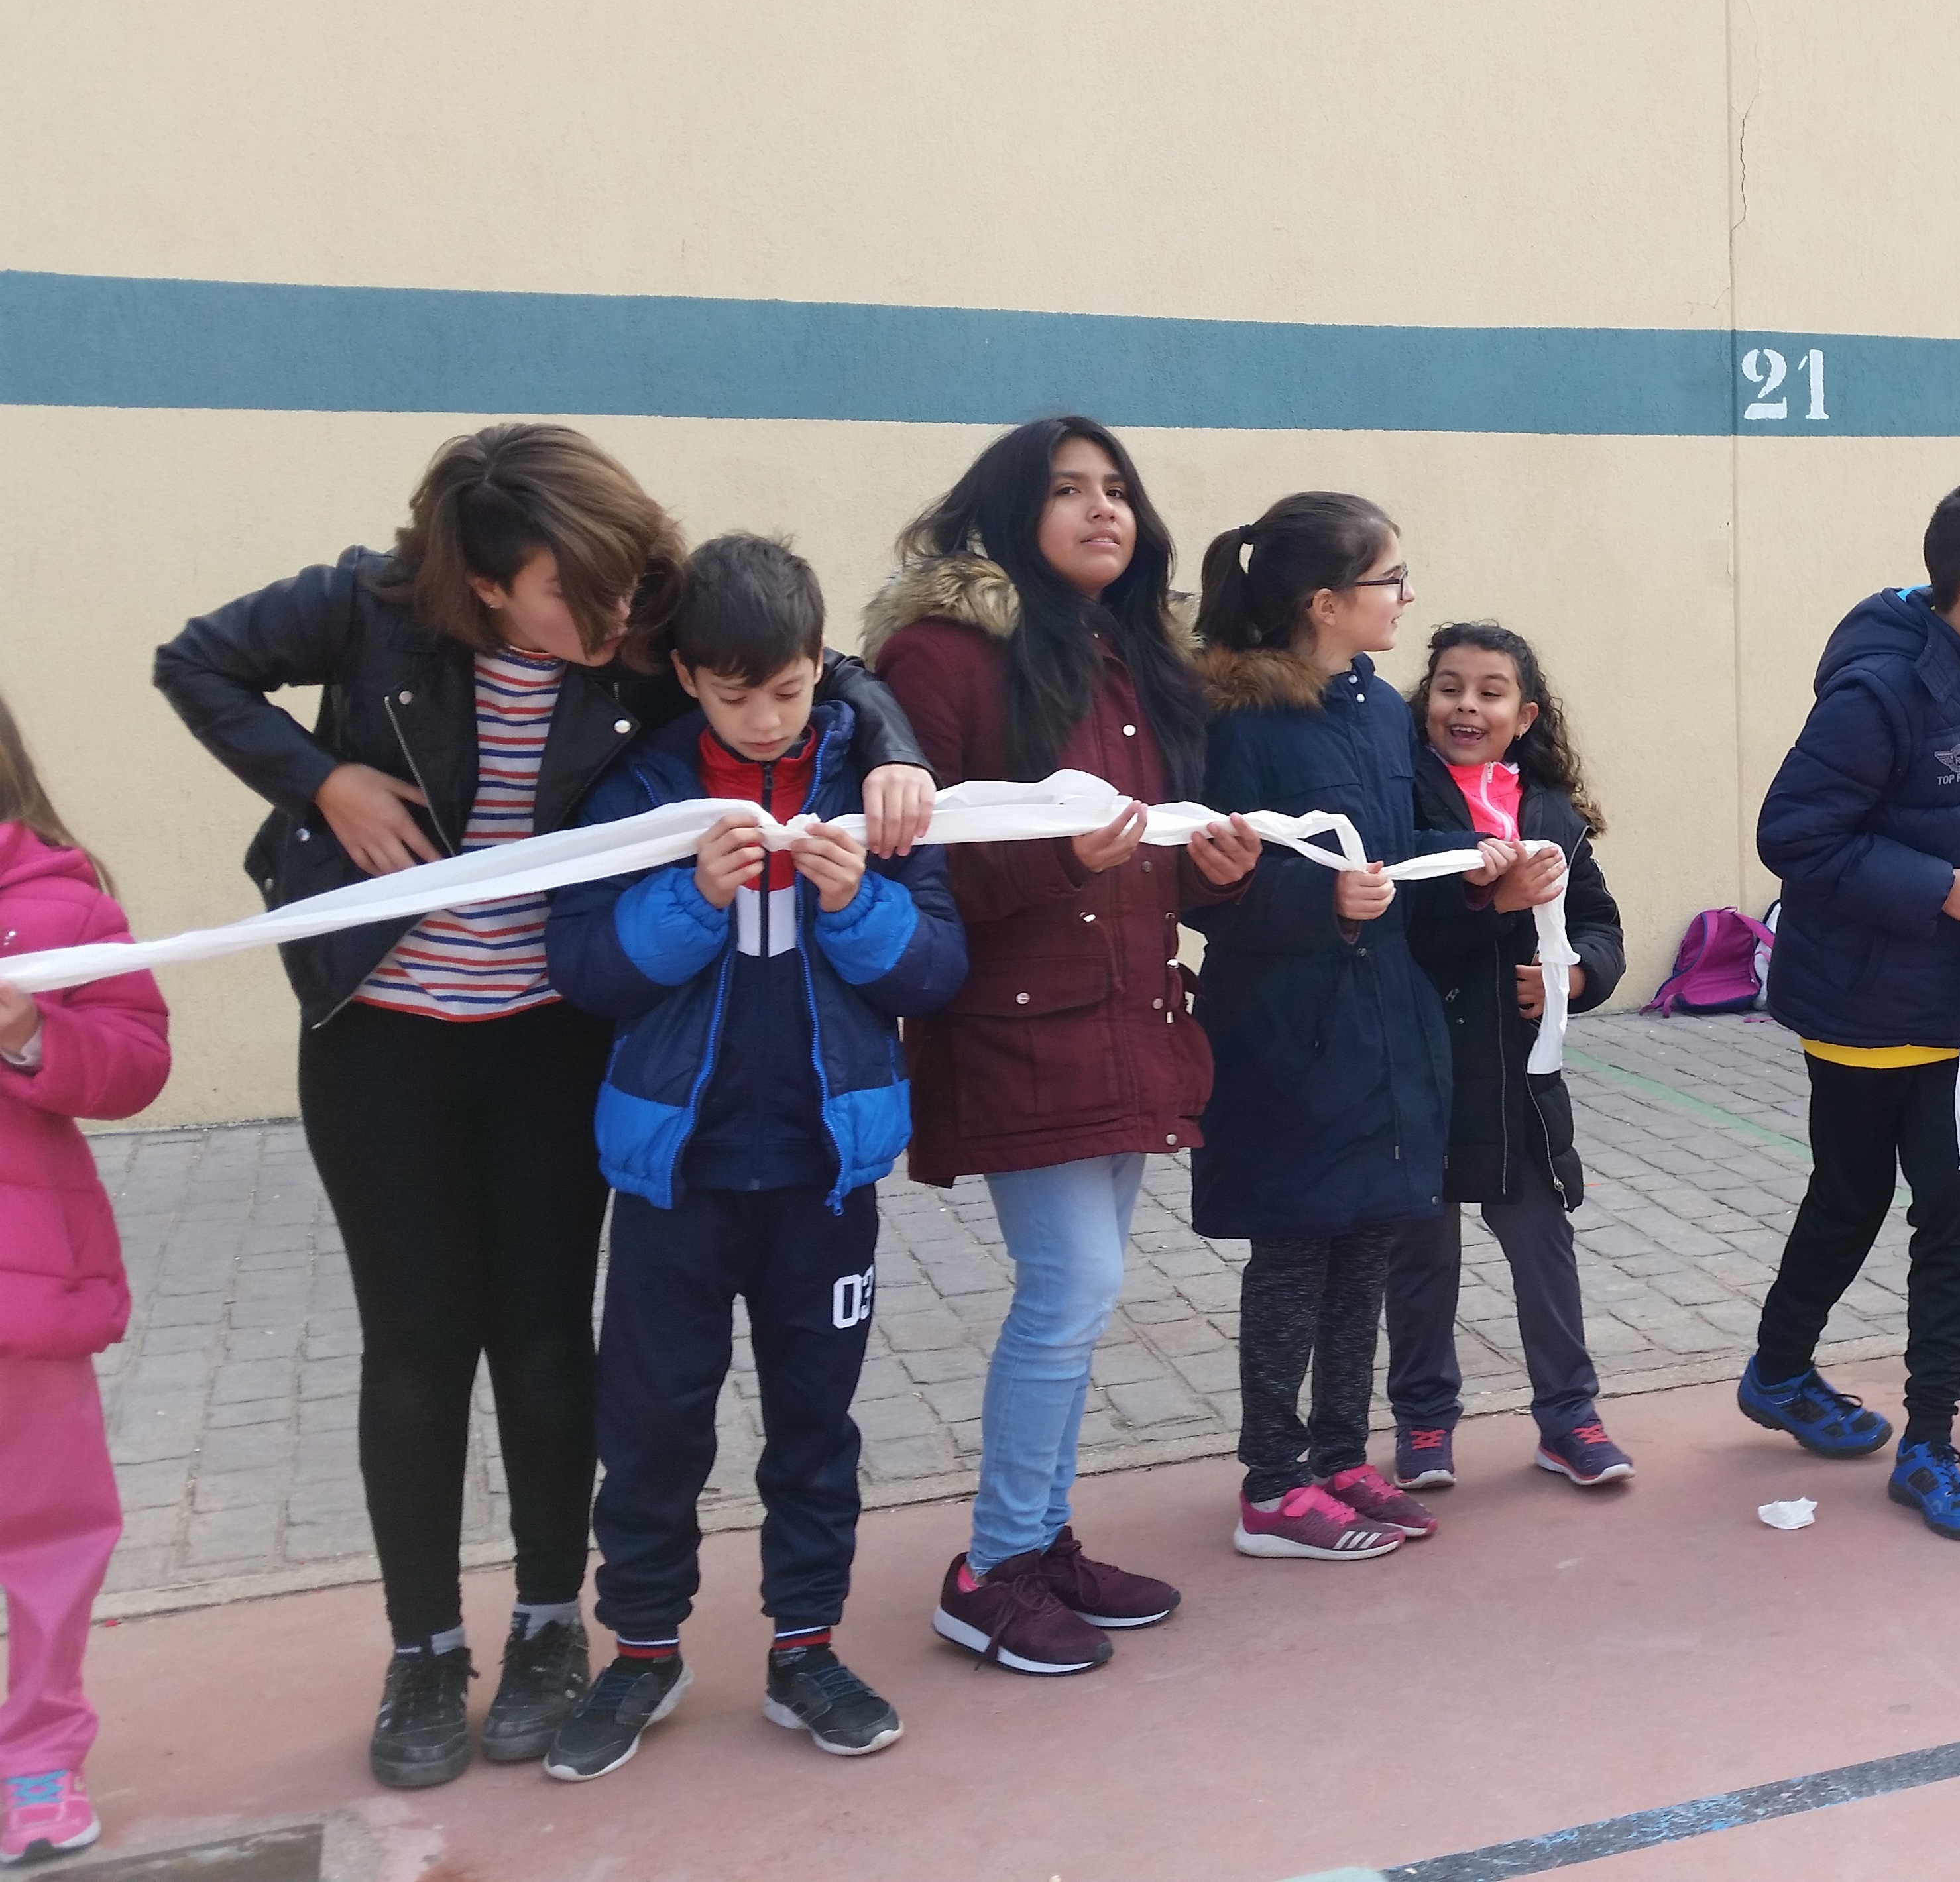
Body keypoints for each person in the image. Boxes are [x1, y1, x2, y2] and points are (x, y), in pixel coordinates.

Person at [150, 425, 933, 1787]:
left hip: (552, 1037)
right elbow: (195, 661)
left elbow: (820, 670)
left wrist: (896, 749)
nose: (619, 619)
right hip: (381, 1035)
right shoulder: (367, 607)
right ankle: (422, 1650)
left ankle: (550, 1627)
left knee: (546, 1337)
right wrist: (321, 777)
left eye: (628, 589)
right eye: (577, 596)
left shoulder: (635, 615)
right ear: (488, 585)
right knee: (416, 1346)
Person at [532, 537, 967, 1779]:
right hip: (676, 1178)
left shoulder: (880, 785)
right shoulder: (639, 788)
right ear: (686, 675)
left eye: (787, 690)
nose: (768, 720)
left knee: (814, 1425)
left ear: (820, 665)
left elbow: (938, 968)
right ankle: (644, 1651)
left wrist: (857, 903)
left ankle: (806, 1647)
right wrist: (692, 898)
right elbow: (585, 968)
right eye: (736, 696)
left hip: (824, 1181)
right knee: (654, 1425)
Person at [866, 417, 1260, 1669]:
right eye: (1068, 491)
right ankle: (990, 1567)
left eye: (1117, 490)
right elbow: (909, 868)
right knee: (1071, 1290)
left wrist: (1216, 873)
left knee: (1082, 1299)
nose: (1104, 511)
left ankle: (1038, 1542)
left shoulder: (1134, 658)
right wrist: (1057, 859)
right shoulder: (940, 657)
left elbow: (1154, 871)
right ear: (1003, 512)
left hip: (1131, 1020)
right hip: (1016, 1032)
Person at [1194, 493, 1544, 1560]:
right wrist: (1320, 904)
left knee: (1369, 1248)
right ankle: (1272, 1485)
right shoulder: (1236, 722)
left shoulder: (1382, 710)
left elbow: (1395, 860)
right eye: (1391, 578)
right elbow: (1201, 887)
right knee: (1296, 1257)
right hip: (1288, 1036)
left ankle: (1342, 1460)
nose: (1407, 596)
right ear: (1325, 601)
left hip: (1387, 1028)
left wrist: (1478, 871)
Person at [1743, 476, 1960, 1542]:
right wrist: (1943, 891)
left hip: (1953, 1004)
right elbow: (1795, 835)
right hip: (1861, 1005)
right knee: (1856, 1202)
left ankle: (1923, 1440)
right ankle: (1790, 1376)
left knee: (1948, 1216)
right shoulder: (1875, 692)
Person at [1388, 623, 1635, 1490]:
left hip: (1518, 1083)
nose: (1467, 706)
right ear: (1425, 701)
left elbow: (1598, 923)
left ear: (1524, 716)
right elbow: (1398, 928)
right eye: (1449, 687)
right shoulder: (1399, 799)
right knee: (1421, 1261)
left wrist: (1577, 974)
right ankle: (1423, 1422)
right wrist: (1495, 904)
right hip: (1420, 1075)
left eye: (1490, 693)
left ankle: (1569, 1419)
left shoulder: (1551, 814)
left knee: (1543, 1250)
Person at [0, 692, 170, 1866]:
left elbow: (134, 1063)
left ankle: (38, 1750)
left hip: (23, 1289)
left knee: (48, 1531)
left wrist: (27, 1033)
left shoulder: (62, 905)